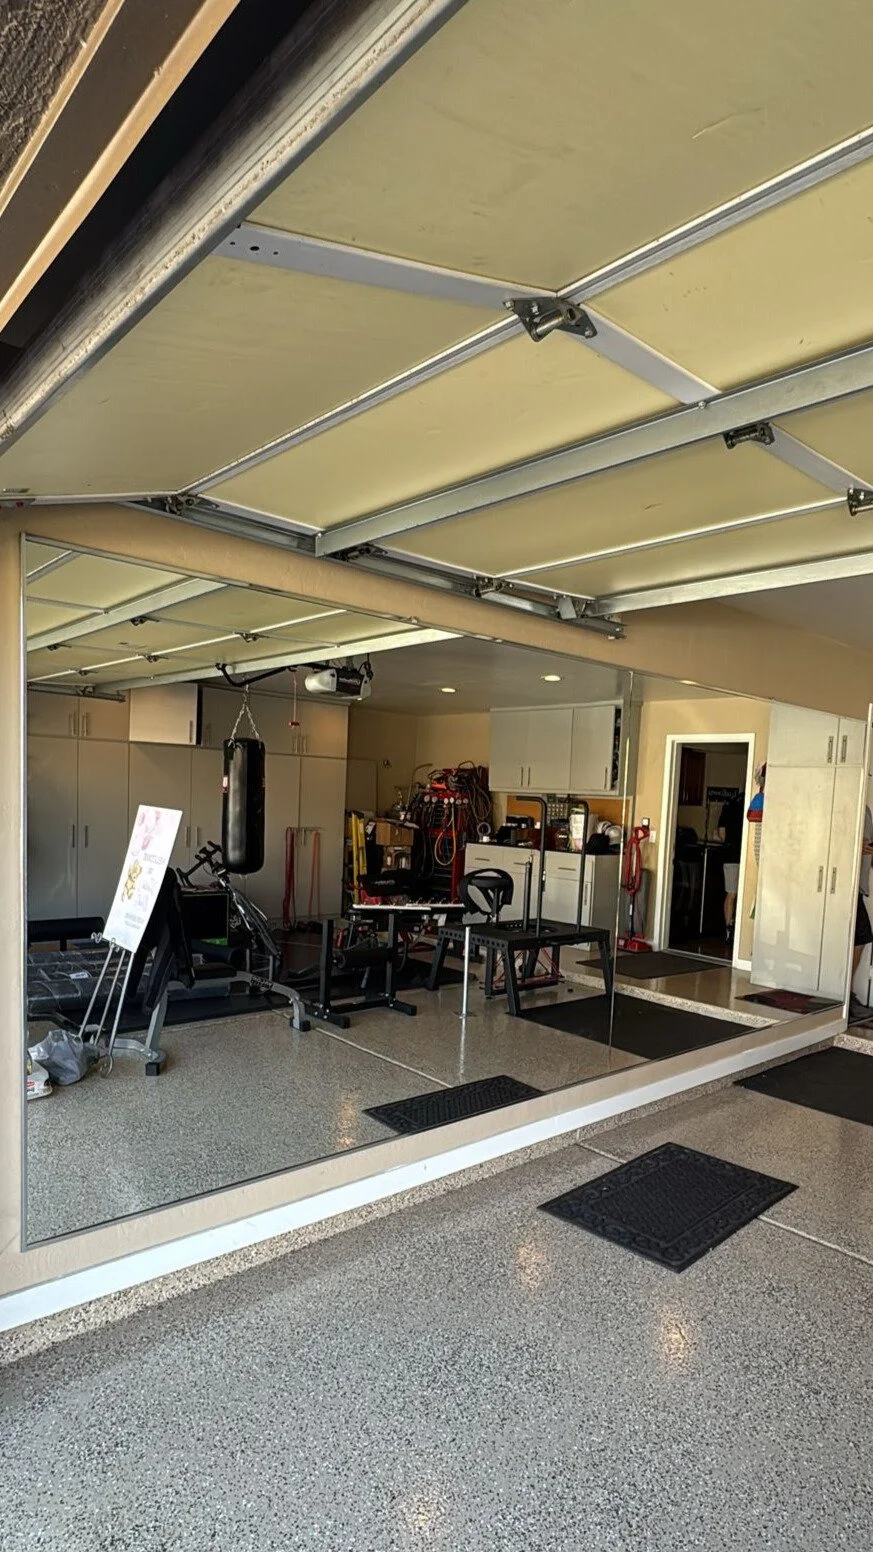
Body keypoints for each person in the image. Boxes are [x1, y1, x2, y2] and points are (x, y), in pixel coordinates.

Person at [850, 804, 873, 1018]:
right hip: (846, 884)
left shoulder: (865, 809)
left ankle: (846, 993)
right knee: (862, 935)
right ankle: (845, 994)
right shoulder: (847, 800)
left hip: (858, 886)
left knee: (860, 937)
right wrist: (855, 845)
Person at [717, 790, 745, 944]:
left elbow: (722, 834)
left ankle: (729, 928)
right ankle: (740, 929)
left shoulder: (728, 805)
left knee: (731, 893)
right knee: (744, 894)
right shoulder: (751, 802)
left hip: (730, 855)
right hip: (745, 854)